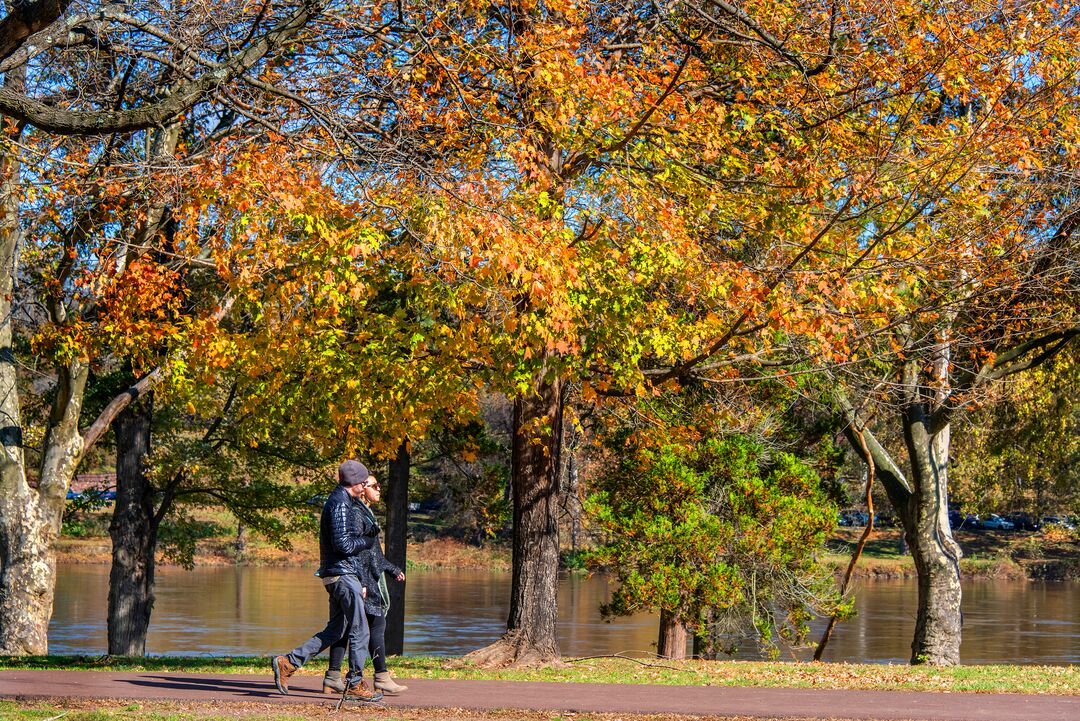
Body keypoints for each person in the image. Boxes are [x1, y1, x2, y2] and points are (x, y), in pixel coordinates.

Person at [271, 460, 383, 703]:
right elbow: (343, 545)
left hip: (337, 574)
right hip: (342, 575)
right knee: (360, 629)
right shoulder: (341, 504)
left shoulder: (342, 501)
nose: (365, 486)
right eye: (364, 482)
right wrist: (367, 540)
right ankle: (354, 683)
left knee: (337, 629)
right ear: (355, 482)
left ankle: (289, 662)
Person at [322, 475, 408, 695]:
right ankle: (380, 676)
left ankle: (332, 676)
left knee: (343, 627)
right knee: (375, 625)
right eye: (374, 486)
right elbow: (360, 552)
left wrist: (390, 568)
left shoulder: (362, 512)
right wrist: (361, 581)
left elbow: (373, 552)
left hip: (358, 576)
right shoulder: (358, 513)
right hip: (361, 578)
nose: (379, 489)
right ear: (363, 489)